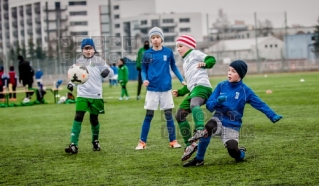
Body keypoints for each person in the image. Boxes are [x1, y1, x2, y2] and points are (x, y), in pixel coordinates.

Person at [183, 60, 283, 167]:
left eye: (233, 71)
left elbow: (260, 104)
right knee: (208, 127)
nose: (229, 73)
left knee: (232, 150)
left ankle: (241, 153)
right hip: (218, 119)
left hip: (232, 125)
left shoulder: (245, 91)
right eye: (229, 70)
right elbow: (209, 105)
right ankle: (199, 159)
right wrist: (218, 101)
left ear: (240, 74)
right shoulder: (221, 86)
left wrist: (272, 115)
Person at [135, 27, 186, 150]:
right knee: (149, 115)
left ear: (161, 38)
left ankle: (173, 141)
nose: (155, 40)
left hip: (166, 89)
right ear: (150, 40)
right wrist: (145, 79)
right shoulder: (147, 54)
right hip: (152, 89)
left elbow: (173, 67)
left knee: (168, 115)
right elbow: (143, 70)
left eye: (157, 37)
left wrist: (182, 79)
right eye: (153, 38)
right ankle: (142, 142)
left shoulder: (168, 52)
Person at [64, 38, 114, 154]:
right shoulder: (78, 62)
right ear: (82, 50)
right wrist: (71, 85)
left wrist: (107, 71)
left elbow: (111, 72)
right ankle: (73, 145)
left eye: (90, 48)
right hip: (82, 95)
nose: (88, 51)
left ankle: (95, 141)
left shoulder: (99, 61)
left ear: (93, 49)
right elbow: (74, 76)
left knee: (94, 119)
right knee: (78, 117)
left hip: (96, 95)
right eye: (85, 48)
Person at [172, 34, 216, 161]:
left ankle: (200, 130)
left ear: (189, 46)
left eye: (180, 46)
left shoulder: (195, 53)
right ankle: (189, 144)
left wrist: (205, 64)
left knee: (194, 105)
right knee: (179, 115)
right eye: (177, 47)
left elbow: (211, 59)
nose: (178, 49)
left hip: (203, 87)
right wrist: (180, 92)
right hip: (194, 89)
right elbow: (190, 84)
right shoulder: (186, 62)